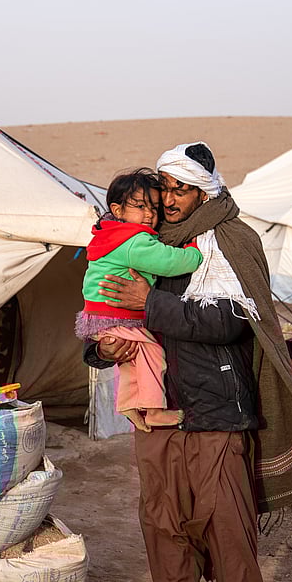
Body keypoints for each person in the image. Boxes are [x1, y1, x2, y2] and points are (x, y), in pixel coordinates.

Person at [84, 142, 292, 582]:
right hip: (156, 406)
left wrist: (151, 303)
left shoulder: (232, 240)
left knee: (227, 516)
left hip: (216, 403)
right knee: (161, 513)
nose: (169, 200)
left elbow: (229, 322)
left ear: (205, 192)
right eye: (164, 189)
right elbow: (103, 309)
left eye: (181, 190)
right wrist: (102, 349)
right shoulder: (140, 240)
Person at [75, 167, 202, 431]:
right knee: (153, 353)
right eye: (141, 207)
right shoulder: (134, 241)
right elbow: (169, 262)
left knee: (134, 358)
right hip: (115, 315)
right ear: (117, 210)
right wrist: (193, 252)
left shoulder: (110, 234)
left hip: (101, 315)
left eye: (154, 208)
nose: (149, 215)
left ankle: (128, 404)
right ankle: (154, 410)